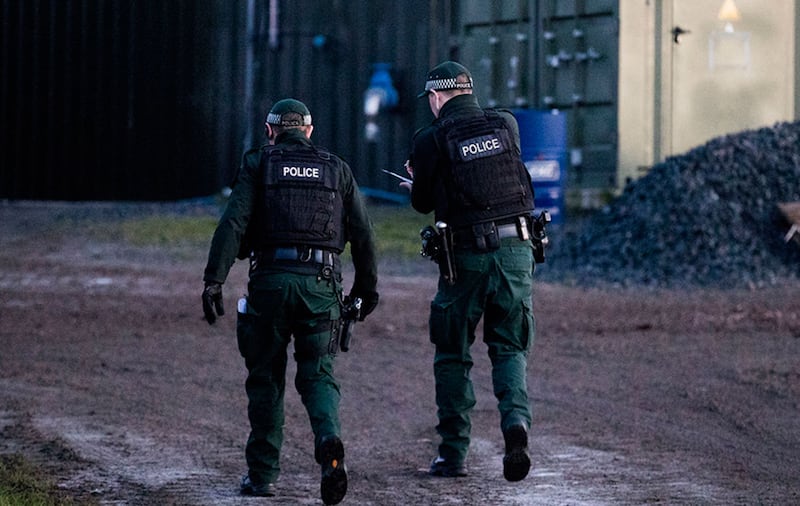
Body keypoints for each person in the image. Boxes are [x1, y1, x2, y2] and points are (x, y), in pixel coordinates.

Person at [201, 98, 379, 504]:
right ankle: (329, 440)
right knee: (317, 374)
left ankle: (262, 475)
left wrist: (214, 279)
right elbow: (364, 233)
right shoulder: (337, 168)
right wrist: (366, 292)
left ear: (270, 131)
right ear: (309, 131)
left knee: (265, 377)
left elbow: (234, 221)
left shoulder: (258, 163)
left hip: (269, 284)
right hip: (321, 285)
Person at [405, 61, 535, 482]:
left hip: (466, 259)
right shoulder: (506, 124)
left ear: (436, 97)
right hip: (518, 249)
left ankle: (453, 454)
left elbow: (423, 203)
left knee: (453, 352)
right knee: (510, 346)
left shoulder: (430, 138)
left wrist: (417, 181)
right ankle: (516, 425)